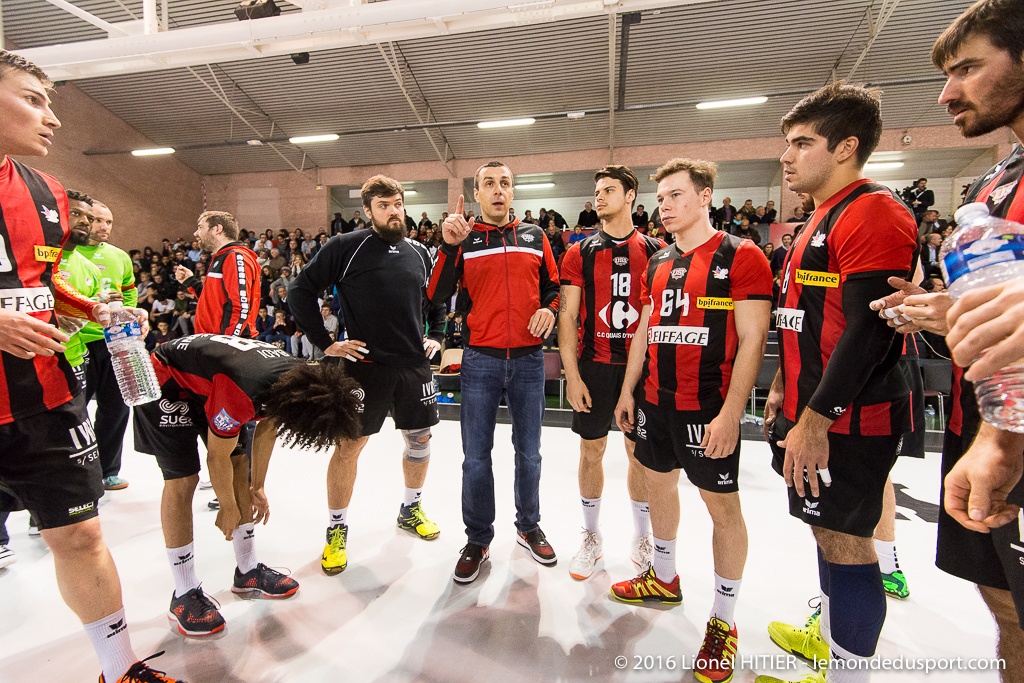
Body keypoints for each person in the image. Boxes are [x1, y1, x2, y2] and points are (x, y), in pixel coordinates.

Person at [0, 49, 184, 683]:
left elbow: (42, 283)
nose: (51, 118)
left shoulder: (46, 191)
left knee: (79, 537)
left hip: (44, 399)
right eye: (33, 99)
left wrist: (91, 311)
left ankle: (118, 666)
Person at [757, 82, 917, 683]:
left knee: (849, 544)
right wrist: (781, 389)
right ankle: (827, 640)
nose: (787, 155)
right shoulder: (821, 216)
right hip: (811, 407)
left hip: (847, 419)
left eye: (801, 142)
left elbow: (871, 332)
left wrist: (817, 418)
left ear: (847, 147)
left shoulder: (874, 211)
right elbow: (810, 320)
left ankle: (848, 671)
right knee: (829, 535)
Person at [610, 159, 772, 683]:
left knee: (722, 509)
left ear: (706, 197)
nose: (666, 205)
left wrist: (731, 414)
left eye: (677, 195)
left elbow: (752, 342)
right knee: (658, 485)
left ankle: (723, 622)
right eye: (661, 198)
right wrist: (629, 388)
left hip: (708, 408)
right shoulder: (656, 261)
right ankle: (663, 577)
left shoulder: (741, 256)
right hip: (656, 402)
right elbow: (643, 330)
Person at [133, 334, 361, 636]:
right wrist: (226, 506)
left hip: (214, 379)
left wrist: (257, 486)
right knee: (182, 479)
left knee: (240, 465)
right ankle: (184, 593)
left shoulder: (298, 381)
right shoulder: (244, 391)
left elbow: (268, 426)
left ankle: (248, 570)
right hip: (167, 380)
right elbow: (217, 457)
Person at [290, 175, 446, 575]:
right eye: (383, 206)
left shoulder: (420, 251)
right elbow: (300, 291)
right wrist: (325, 342)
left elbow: (437, 300)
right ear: (368, 211)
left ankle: (411, 509)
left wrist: (438, 336)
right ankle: (337, 530)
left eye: (397, 203)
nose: (393, 211)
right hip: (365, 368)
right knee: (349, 447)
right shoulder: (346, 246)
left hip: (413, 366)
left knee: (420, 439)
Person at [428, 162, 561, 584]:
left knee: (530, 453)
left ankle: (528, 526)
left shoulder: (535, 237)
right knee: (475, 458)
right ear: (478, 194)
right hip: (480, 360)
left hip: (528, 361)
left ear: (513, 192)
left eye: (505, 183)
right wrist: (449, 247)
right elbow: (436, 294)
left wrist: (548, 310)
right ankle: (478, 538)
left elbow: (554, 289)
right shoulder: (465, 240)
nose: (498, 191)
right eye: (489, 184)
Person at [557, 165, 665, 582]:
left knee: (639, 457)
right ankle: (591, 537)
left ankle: (642, 538)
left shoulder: (656, 249)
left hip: (640, 372)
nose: (598, 197)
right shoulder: (579, 251)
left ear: (631, 196)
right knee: (591, 452)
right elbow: (567, 316)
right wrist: (573, 375)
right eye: (596, 191)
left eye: (608, 190)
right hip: (594, 368)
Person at [75, 199, 138, 491]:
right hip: (80, 342)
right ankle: (74, 477)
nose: (104, 227)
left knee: (116, 408)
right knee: (76, 411)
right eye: (99, 220)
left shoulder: (119, 256)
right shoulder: (68, 255)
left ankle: (108, 470)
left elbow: (129, 293)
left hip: (116, 342)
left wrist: (128, 320)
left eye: (109, 222)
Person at [175, 211, 260, 339]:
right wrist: (191, 281)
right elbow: (213, 300)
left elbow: (241, 307)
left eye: (200, 227)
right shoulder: (221, 257)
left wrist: (228, 343)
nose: (195, 233)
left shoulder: (235, 256)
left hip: (226, 346)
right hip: (212, 340)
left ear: (217, 229)